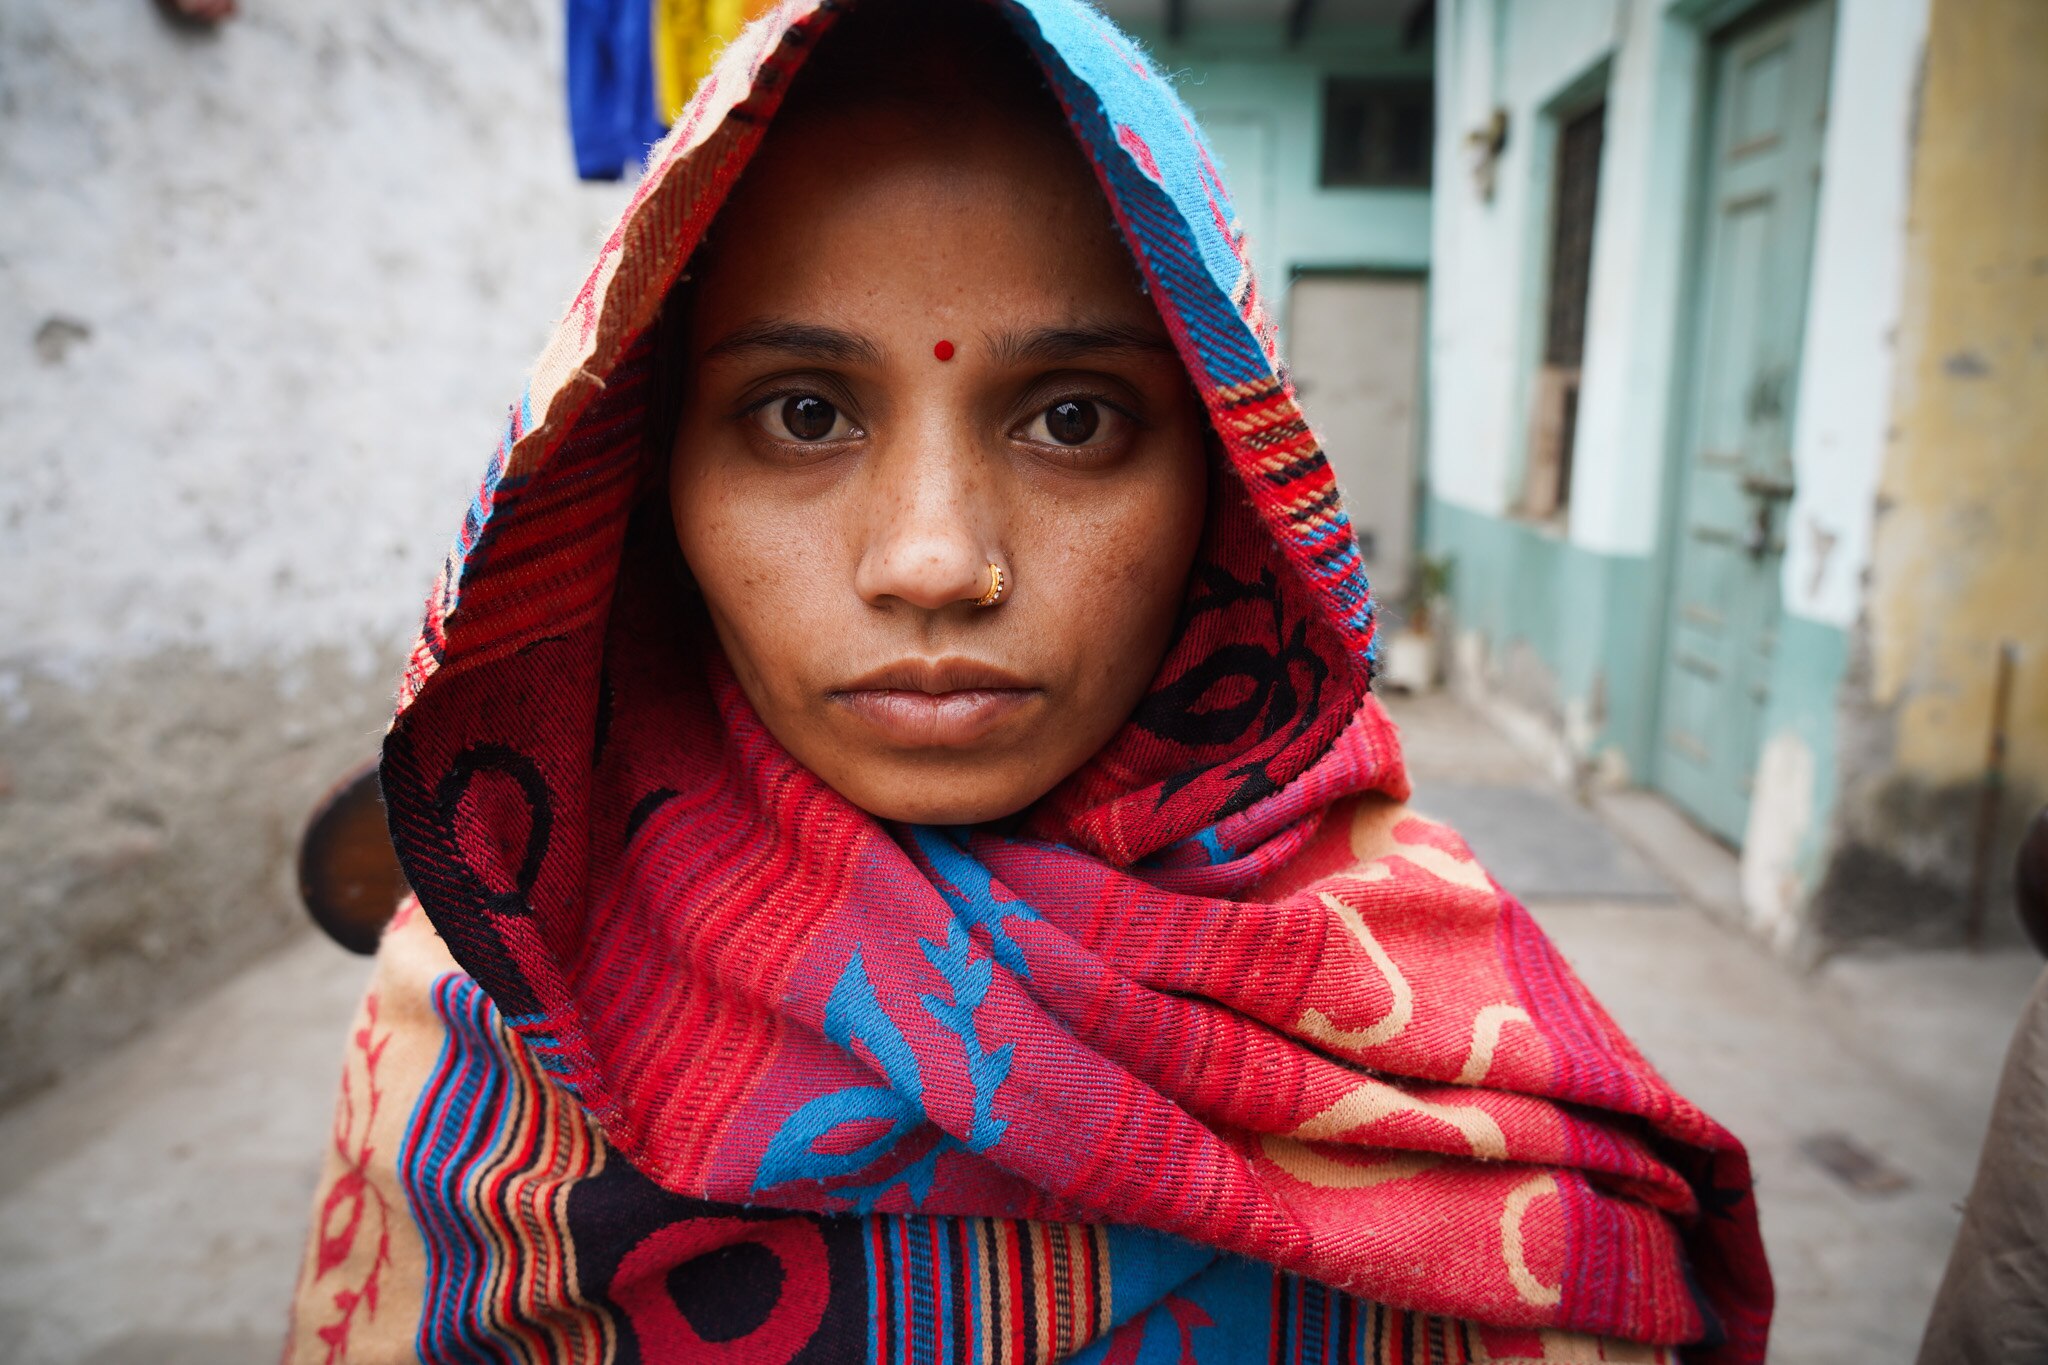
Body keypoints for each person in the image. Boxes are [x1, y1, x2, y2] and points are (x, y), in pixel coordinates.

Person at [284, 1, 1771, 1360]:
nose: (935, 562)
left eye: (1072, 418)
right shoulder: (499, 989)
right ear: (645, 471)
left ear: (1229, 488)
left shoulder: (1447, 1023)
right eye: (802, 413)